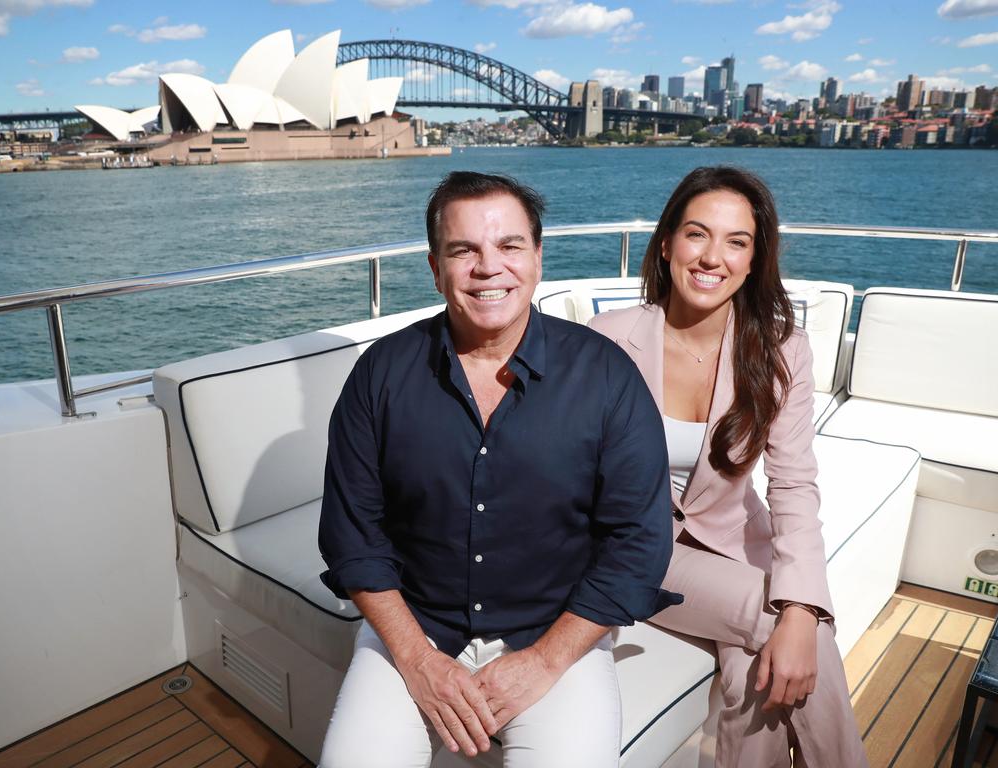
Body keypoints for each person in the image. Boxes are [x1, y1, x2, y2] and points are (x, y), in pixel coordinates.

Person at [318, 171, 681, 768]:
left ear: (538, 258)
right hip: (417, 625)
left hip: (556, 628)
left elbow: (639, 541)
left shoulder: (607, 376)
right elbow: (353, 534)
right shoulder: (380, 374)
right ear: (436, 268)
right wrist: (415, 659)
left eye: (510, 246)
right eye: (464, 251)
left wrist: (545, 661)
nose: (489, 268)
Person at [589, 166, 868, 768]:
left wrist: (800, 601)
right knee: (795, 632)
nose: (712, 256)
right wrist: (796, 616)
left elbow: (793, 482)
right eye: (696, 234)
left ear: (753, 259)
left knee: (755, 673)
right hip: (635, 549)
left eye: (736, 241)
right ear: (666, 245)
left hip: (738, 546)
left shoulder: (778, 348)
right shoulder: (605, 342)